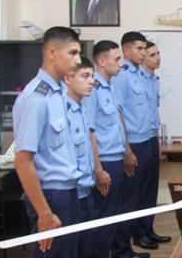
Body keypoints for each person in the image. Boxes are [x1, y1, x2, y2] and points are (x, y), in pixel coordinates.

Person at [13, 26, 82, 258]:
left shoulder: (58, 93)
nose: (78, 60)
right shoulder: (35, 98)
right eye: (72, 53)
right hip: (51, 196)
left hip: (68, 192)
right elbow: (23, 161)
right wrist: (44, 212)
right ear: (52, 53)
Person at [85, 40, 143, 258]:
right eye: (117, 59)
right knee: (103, 221)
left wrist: (127, 150)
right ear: (101, 61)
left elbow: (118, 123)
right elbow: (90, 132)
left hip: (116, 159)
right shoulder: (93, 89)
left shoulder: (109, 86)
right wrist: (98, 169)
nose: (121, 64)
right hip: (105, 163)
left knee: (114, 218)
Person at [111, 32, 156, 258]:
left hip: (145, 141)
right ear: (126, 50)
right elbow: (118, 112)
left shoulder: (140, 74)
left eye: (144, 48)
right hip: (133, 146)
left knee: (139, 199)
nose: (144, 53)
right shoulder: (122, 76)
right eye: (139, 49)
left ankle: (128, 246)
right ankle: (120, 250)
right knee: (127, 202)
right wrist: (127, 151)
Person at [136, 41, 171, 245]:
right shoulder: (135, 79)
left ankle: (148, 229)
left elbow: (153, 114)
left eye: (158, 53)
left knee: (151, 191)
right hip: (138, 141)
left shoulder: (154, 80)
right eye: (152, 55)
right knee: (139, 193)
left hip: (151, 139)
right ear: (143, 58)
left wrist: (157, 143)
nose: (157, 57)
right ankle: (138, 235)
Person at [63, 57, 96, 258]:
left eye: (91, 75)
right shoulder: (61, 110)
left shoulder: (81, 108)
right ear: (68, 79)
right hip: (71, 195)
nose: (91, 81)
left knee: (84, 247)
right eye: (85, 76)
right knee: (69, 249)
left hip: (86, 191)